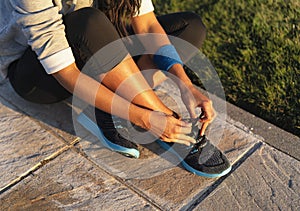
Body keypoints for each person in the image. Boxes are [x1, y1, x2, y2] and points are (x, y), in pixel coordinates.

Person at [0, 0, 231, 177]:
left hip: (92, 44)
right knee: (87, 21)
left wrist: (185, 84)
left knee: (189, 29)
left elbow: (147, 23)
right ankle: (172, 125)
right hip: (37, 75)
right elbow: (65, 73)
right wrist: (144, 118)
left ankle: (107, 107)